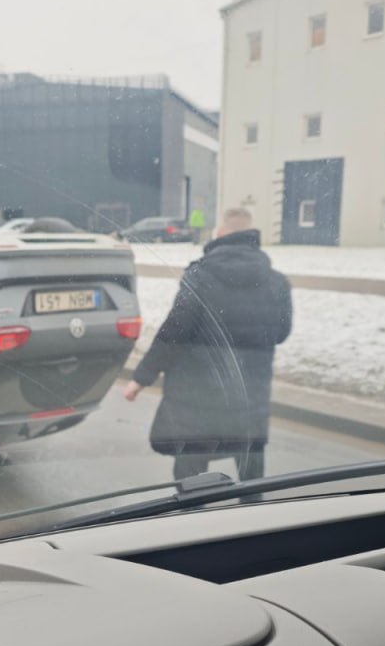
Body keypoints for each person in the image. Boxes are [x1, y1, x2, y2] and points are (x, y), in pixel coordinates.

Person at [123, 207, 292, 483]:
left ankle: (194, 515)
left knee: (191, 465)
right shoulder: (277, 282)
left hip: (197, 396)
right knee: (249, 457)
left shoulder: (200, 277)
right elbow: (282, 332)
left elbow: (174, 331)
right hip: (249, 393)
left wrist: (142, 378)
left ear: (221, 234)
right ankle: (256, 513)